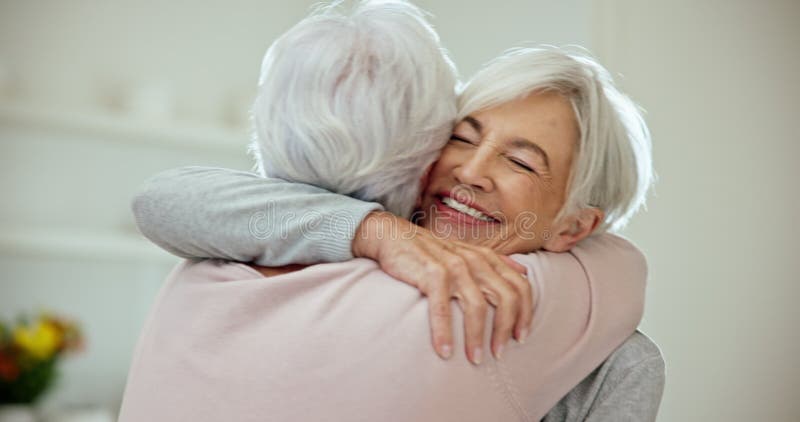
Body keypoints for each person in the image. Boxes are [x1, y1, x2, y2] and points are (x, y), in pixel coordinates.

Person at [120, 1, 663, 420]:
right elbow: (167, 199)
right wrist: (379, 232)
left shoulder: (610, 364)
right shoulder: (339, 241)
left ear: (577, 224)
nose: (470, 172)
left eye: (520, 163)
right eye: (461, 137)